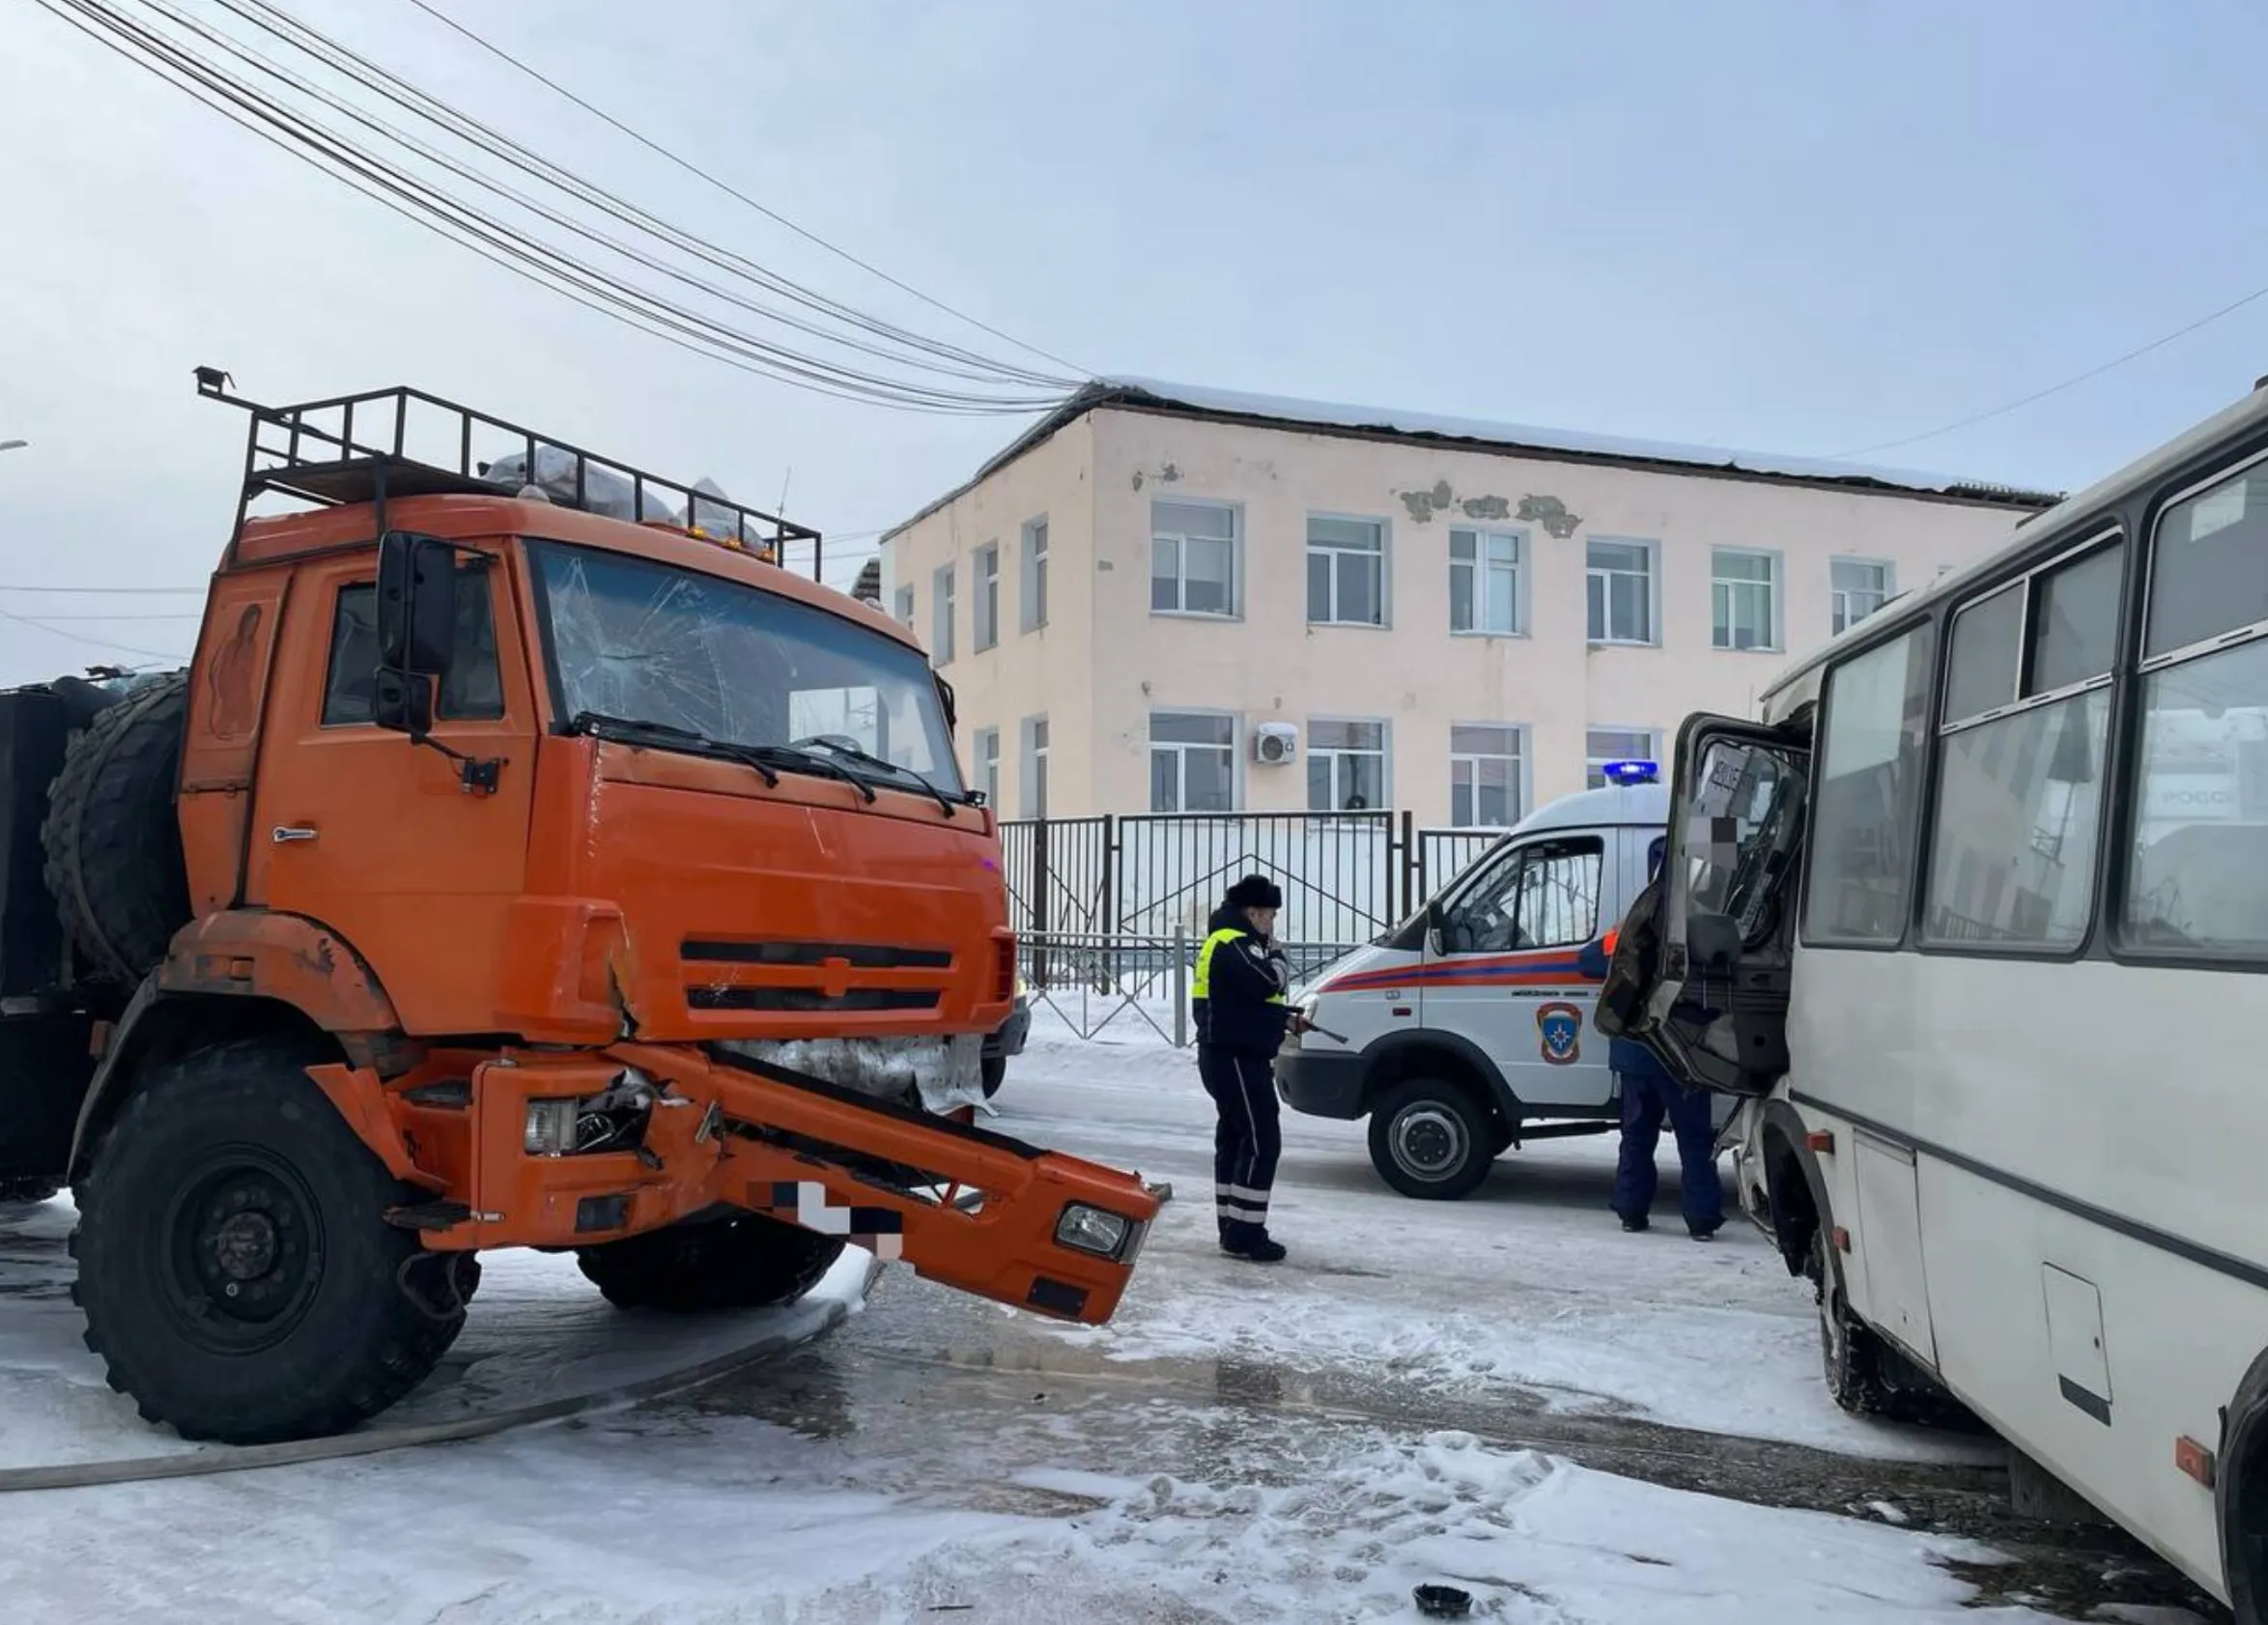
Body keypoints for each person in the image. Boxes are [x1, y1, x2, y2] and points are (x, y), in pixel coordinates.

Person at [1575, 924, 1724, 1240]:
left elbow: (1586, 961)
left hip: (1637, 1056)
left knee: (1637, 1138)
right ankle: (1701, 1220)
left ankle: (1631, 1211)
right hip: (1684, 1058)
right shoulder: (1703, 933)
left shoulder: (1629, 933)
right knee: (1695, 1142)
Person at [1192, 873, 1307, 1263]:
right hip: (1236, 1057)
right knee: (1261, 1141)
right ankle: (1246, 1233)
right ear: (1253, 911)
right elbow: (1263, 983)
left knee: (1236, 1139)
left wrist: (1284, 1020)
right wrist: (1278, 957)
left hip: (1229, 1053)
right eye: (1270, 916)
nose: (1272, 925)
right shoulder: (1234, 943)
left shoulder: (1229, 943)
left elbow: (1242, 1004)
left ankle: (1233, 1225)